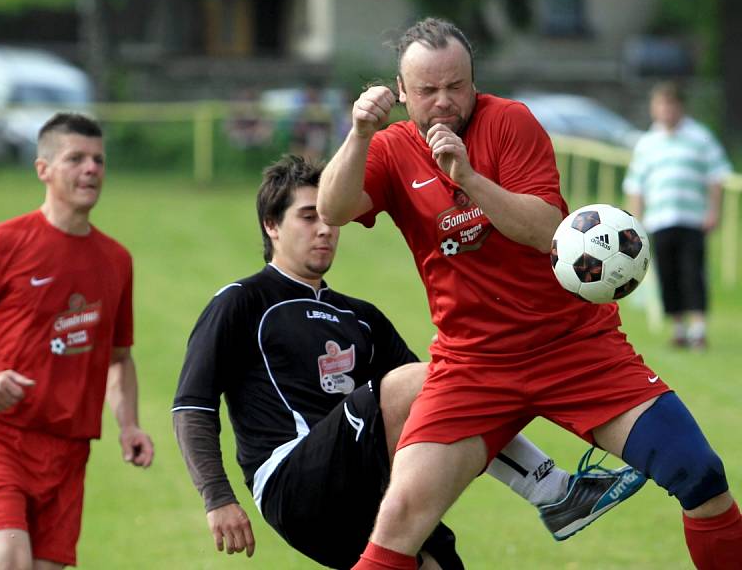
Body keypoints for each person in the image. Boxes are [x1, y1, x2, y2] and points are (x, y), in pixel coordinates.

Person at [316, 18, 742, 569]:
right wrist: (358, 133)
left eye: (456, 86)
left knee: (701, 476)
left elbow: (548, 231)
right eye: (427, 91)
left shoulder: (510, 122)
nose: (444, 102)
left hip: (574, 349)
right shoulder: (391, 148)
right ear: (401, 92)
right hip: (472, 366)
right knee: (397, 524)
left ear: (473, 82)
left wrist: (468, 177)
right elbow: (332, 208)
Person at [171, 155, 646, 570]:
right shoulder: (243, 302)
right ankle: (553, 490)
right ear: (272, 226)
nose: (325, 229)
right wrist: (217, 497)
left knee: (453, 408)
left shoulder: (360, 316)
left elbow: (449, 409)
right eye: (307, 217)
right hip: (293, 482)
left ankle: (557, 495)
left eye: (331, 218)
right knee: (438, 384)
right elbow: (192, 406)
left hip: (371, 484)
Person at [0, 112, 155, 569]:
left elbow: (119, 358)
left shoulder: (116, 260)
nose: (92, 169)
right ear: (43, 169)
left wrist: (129, 425)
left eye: (98, 160)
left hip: (68, 446)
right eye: (75, 158)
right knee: (6, 561)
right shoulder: (5, 243)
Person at [623, 81, 733, 350]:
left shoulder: (700, 137)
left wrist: (713, 211)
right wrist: (635, 221)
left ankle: (698, 328)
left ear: (680, 107)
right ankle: (679, 327)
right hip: (659, 219)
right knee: (668, 274)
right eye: (661, 105)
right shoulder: (647, 143)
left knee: (692, 272)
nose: (666, 111)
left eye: (671, 105)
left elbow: (716, 176)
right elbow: (636, 184)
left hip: (691, 218)